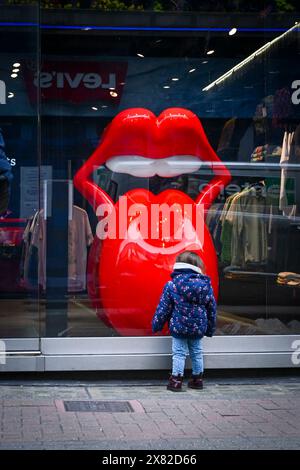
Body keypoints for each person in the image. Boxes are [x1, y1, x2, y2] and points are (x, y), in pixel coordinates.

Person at [152, 251, 217, 392]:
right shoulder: (206, 286)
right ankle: (197, 380)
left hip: (179, 327)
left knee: (179, 354)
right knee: (197, 353)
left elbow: (163, 308)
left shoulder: (172, 285)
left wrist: (156, 324)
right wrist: (210, 329)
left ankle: (176, 381)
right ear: (197, 267)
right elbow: (212, 309)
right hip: (198, 328)